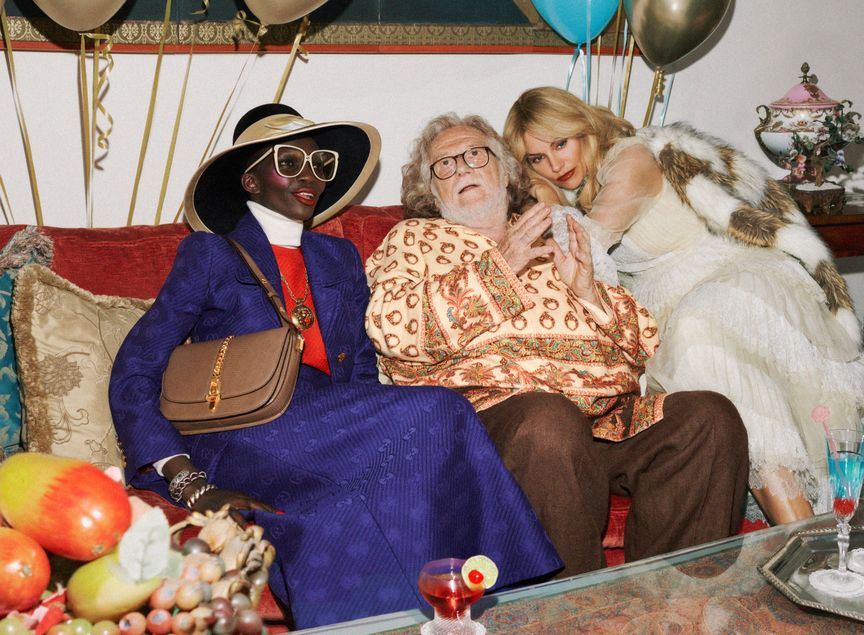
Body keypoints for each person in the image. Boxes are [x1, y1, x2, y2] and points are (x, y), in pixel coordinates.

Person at [108, 104, 561, 628]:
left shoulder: (338, 257)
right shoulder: (211, 254)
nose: (310, 175)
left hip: (334, 427)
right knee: (439, 410)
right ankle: (521, 599)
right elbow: (135, 368)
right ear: (250, 180)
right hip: (245, 431)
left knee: (353, 500)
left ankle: (449, 617)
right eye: (289, 161)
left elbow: (363, 372)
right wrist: (187, 480)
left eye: (320, 163)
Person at [365, 113, 749, 577]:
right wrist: (499, 268)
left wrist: (588, 292)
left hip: (599, 420)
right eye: (444, 165)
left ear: (505, 171)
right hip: (487, 422)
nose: (462, 167)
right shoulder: (414, 240)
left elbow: (645, 343)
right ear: (431, 192)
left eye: (475, 155)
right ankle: (572, 610)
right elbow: (391, 327)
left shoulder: (551, 236)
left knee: (708, 417)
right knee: (549, 422)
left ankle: (673, 603)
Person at [503, 86, 864, 524]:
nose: (555, 165)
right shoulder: (586, 187)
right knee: (701, 355)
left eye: (560, 144)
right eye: (537, 159)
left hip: (732, 281)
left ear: (584, 128)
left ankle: (804, 537)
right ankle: (806, 538)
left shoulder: (631, 160)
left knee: (698, 335)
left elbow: (585, 251)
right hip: (680, 301)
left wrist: (548, 201)